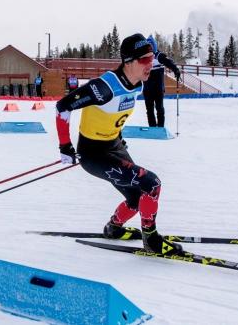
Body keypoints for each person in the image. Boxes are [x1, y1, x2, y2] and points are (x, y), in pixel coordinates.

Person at [55, 33, 183, 256]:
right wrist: (65, 146)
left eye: (151, 59)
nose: (150, 65)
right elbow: (63, 106)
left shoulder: (137, 84)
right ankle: (151, 240)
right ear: (128, 62)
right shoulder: (104, 87)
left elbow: (113, 113)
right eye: (144, 60)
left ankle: (113, 228)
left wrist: (117, 134)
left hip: (113, 144)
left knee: (136, 198)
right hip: (94, 153)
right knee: (151, 184)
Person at [142, 35, 181, 127]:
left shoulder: (159, 56)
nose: (150, 49)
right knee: (149, 110)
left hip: (158, 88)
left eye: (151, 47)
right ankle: (152, 128)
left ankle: (160, 128)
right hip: (147, 89)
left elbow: (169, 63)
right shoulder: (143, 58)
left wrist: (176, 70)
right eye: (148, 47)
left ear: (154, 46)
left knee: (159, 108)